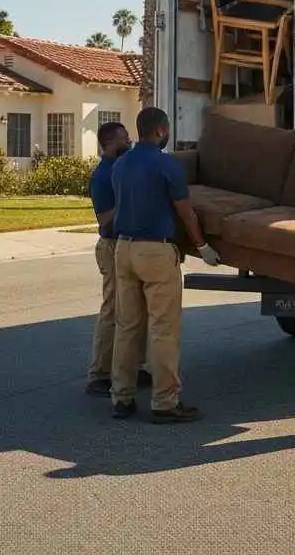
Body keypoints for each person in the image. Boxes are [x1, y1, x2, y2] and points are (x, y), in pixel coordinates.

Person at [109, 106, 220, 423]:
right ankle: (165, 402)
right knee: (162, 330)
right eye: (167, 129)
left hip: (124, 249)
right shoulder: (167, 166)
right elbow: (185, 212)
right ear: (160, 131)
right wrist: (203, 246)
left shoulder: (121, 164)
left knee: (128, 327)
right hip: (156, 252)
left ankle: (122, 398)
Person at [85, 121, 151, 397]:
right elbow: (105, 219)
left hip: (128, 244)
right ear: (109, 143)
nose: (130, 141)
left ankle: (133, 367)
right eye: (124, 138)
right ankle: (99, 374)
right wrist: (130, 201)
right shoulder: (102, 177)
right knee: (113, 309)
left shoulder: (123, 168)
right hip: (111, 245)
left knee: (136, 309)